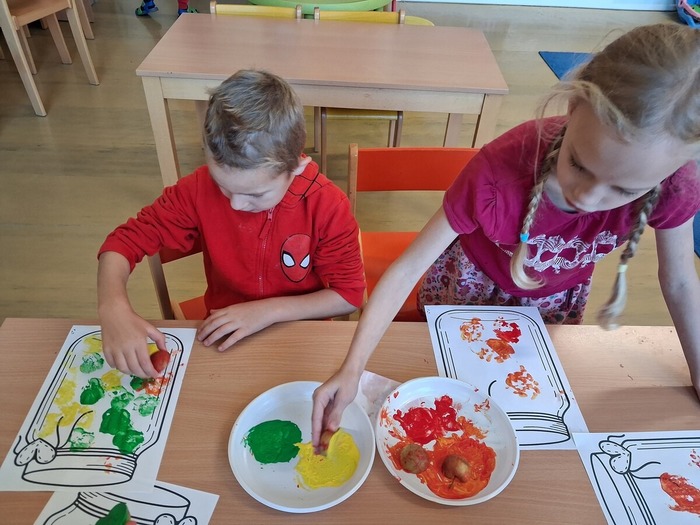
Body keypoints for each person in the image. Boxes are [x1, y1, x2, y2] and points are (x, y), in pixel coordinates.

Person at [311, 22, 700, 448]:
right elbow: (407, 269)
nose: (588, 199)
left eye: (624, 190)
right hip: (468, 290)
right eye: (579, 164)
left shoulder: (677, 182)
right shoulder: (499, 170)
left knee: (522, 421)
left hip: (552, 305)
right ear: (573, 106)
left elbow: (681, 281)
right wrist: (352, 368)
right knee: (454, 413)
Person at [98, 69, 364, 379]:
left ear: (296, 167)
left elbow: (349, 295)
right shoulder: (197, 190)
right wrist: (112, 307)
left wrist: (269, 311)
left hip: (302, 334)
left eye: (255, 194)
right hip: (224, 335)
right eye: (223, 186)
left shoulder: (327, 207)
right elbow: (123, 242)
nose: (236, 205)